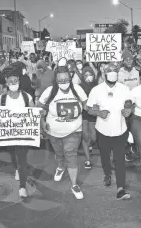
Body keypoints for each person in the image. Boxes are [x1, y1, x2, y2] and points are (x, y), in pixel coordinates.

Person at [86, 63, 133, 200]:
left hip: (120, 129)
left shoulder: (124, 89)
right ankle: (107, 174)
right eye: (109, 71)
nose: (112, 73)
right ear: (104, 73)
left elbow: (130, 104)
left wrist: (129, 110)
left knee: (119, 160)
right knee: (105, 157)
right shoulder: (97, 90)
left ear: (118, 73)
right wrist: (99, 112)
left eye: (114, 71)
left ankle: (120, 189)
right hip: (102, 130)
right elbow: (89, 109)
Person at [39, 66, 88, 200]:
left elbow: (86, 104)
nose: (64, 82)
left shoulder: (77, 89)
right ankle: (60, 166)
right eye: (60, 80)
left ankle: (74, 184)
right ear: (55, 80)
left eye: (66, 79)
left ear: (70, 78)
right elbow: (40, 107)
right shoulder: (49, 91)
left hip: (74, 131)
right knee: (59, 153)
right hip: (53, 132)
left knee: (70, 153)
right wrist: (42, 121)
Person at [0, 66, 35, 198]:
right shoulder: (1, 99)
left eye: (16, 81)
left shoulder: (26, 96)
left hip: (23, 135)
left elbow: (33, 112)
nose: (13, 84)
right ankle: (17, 168)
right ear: (6, 83)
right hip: (9, 135)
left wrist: (39, 115)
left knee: (22, 159)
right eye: (11, 81)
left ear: (19, 82)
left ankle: (22, 186)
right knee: (13, 156)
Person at [79, 66, 98, 169]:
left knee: (93, 137)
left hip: (93, 113)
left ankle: (90, 144)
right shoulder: (79, 87)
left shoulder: (97, 86)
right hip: (83, 113)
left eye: (90, 75)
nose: (88, 77)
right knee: (85, 136)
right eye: (85, 75)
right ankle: (88, 160)